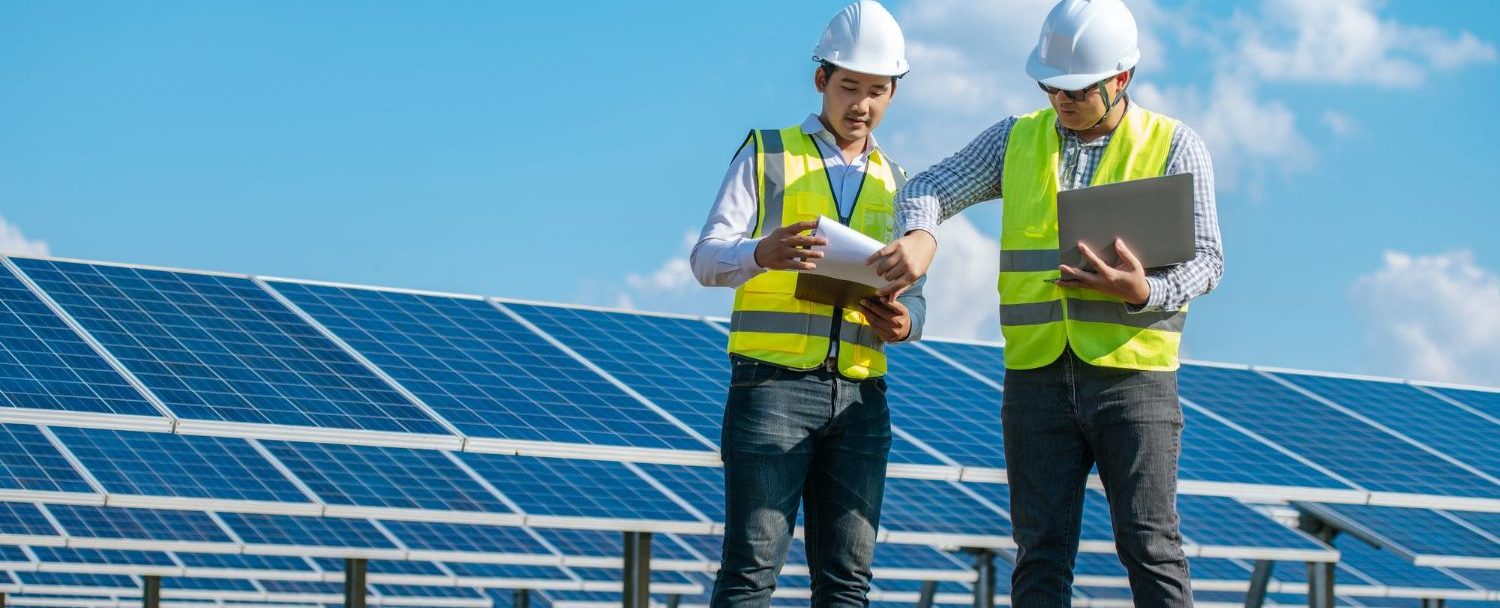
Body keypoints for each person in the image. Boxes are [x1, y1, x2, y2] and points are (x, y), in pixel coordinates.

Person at [868, 0, 1223, 605]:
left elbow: (1209, 261)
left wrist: (1146, 291)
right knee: (1040, 554)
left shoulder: (1173, 144)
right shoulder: (1017, 138)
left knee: (1150, 545)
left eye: (1077, 89)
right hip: (1034, 380)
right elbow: (929, 185)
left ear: (1121, 79)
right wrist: (924, 231)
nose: (1061, 100)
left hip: (1132, 379)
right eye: (1051, 86)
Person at [688, 1, 925, 605]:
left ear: (894, 92)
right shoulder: (767, 153)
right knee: (750, 572)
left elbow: (915, 299)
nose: (862, 105)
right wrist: (761, 254)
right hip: (771, 390)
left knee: (848, 584)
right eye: (850, 87)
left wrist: (905, 323)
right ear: (821, 80)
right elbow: (706, 258)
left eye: (877, 91)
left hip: (862, 401)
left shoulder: (902, 182)